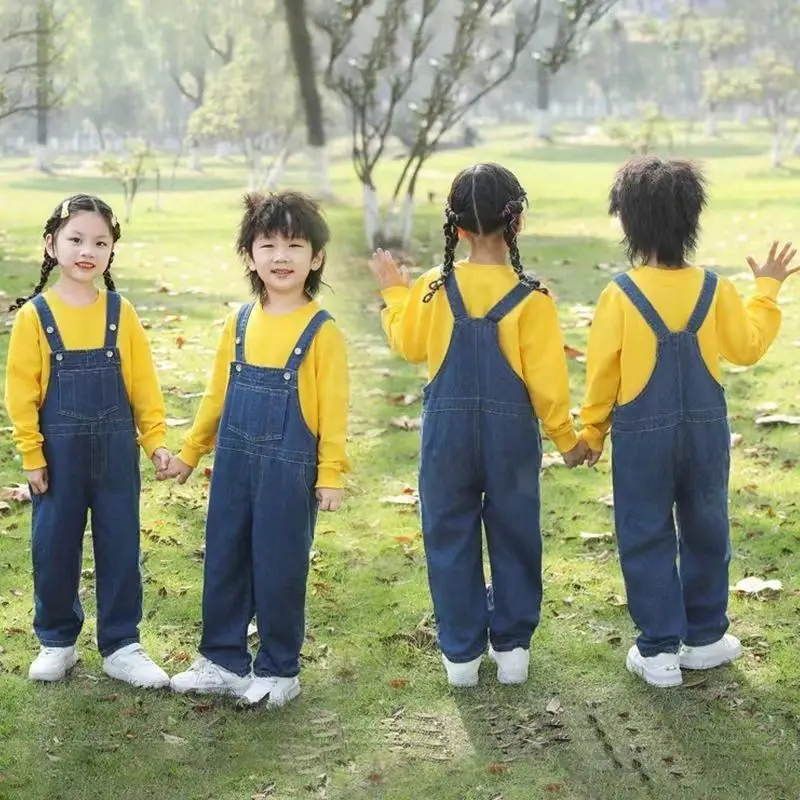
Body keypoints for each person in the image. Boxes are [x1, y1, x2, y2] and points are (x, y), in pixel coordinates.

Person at [580, 155, 797, 687]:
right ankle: (704, 637)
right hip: (704, 436)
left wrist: (591, 433)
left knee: (644, 531)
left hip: (640, 438)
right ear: (692, 220)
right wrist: (766, 291)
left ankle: (658, 652)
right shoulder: (716, 288)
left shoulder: (620, 293)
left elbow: (602, 376)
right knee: (706, 528)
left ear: (628, 224)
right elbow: (747, 347)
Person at [368, 163, 585, 688]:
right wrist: (567, 440)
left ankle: (461, 657)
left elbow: (409, 344)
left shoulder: (432, 286)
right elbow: (547, 384)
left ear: (456, 227)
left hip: (447, 438)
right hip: (512, 440)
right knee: (515, 534)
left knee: (448, 535)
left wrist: (395, 293)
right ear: (519, 223)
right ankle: (512, 651)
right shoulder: (534, 297)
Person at [162, 191, 350, 707]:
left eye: (295, 245)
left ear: (316, 258)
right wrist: (190, 452)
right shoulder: (238, 323)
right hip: (235, 463)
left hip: (291, 470)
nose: (281, 256)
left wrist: (330, 473)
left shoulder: (322, 332)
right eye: (268, 244)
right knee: (224, 556)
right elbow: (216, 395)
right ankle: (223, 659)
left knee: (279, 563)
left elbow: (333, 409)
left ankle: (278, 668)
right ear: (249, 255)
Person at [4, 194, 171, 687]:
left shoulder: (122, 313)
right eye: (76, 239)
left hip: (117, 454)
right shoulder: (36, 316)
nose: (87, 250)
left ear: (111, 251)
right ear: (51, 244)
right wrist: (31, 454)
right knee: (53, 545)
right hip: (57, 458)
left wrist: (155, 440)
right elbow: (20, 394)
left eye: (100, 242)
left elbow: (144, 385)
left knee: (121, 544)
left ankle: (122, 644)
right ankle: (57, 640)